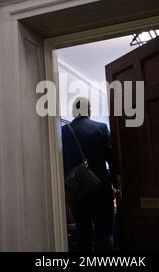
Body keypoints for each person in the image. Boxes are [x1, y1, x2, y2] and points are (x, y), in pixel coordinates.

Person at [62, 97, 118, 252]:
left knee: (83, 232)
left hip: (77, 189)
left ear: (74, 111)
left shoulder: (64, 131)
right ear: (89, 110)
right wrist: (115, 183)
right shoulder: (101, 128)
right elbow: (111, 159)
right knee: (104, 233)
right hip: (101, 187)